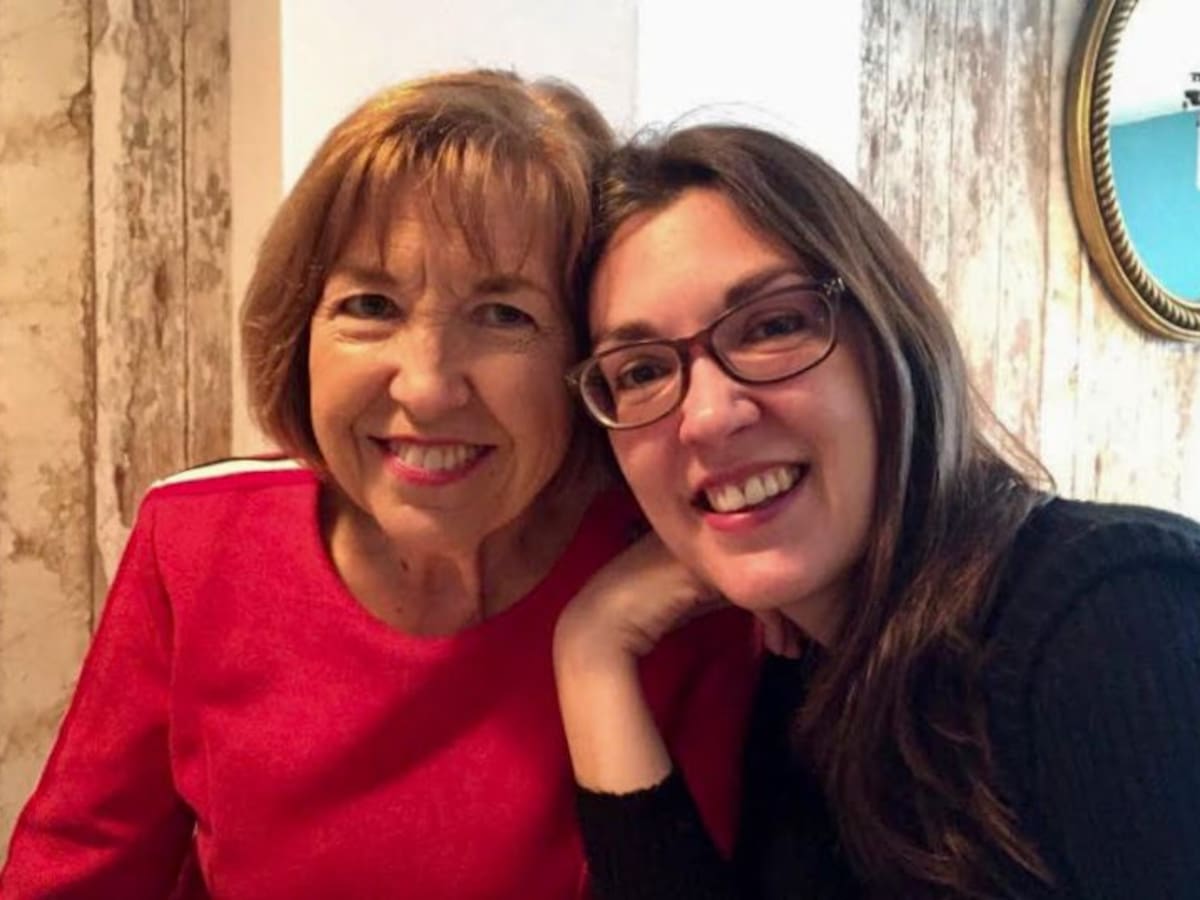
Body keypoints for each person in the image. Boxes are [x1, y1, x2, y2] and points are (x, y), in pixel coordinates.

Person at [0, 73, 759, 899]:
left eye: (504, 315)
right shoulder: (196, 541)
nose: (426, 388)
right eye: (370, 305)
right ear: (300, 328)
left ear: (588, 359)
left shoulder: (676, 586)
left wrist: (598, 643)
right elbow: (77, 869)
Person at [553, 123, 1200, 899]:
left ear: (891, 332)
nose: (708, 417)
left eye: (773, 326)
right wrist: (591, 653)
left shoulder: (1115, 617)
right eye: (641, 371)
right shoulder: (801, 683)